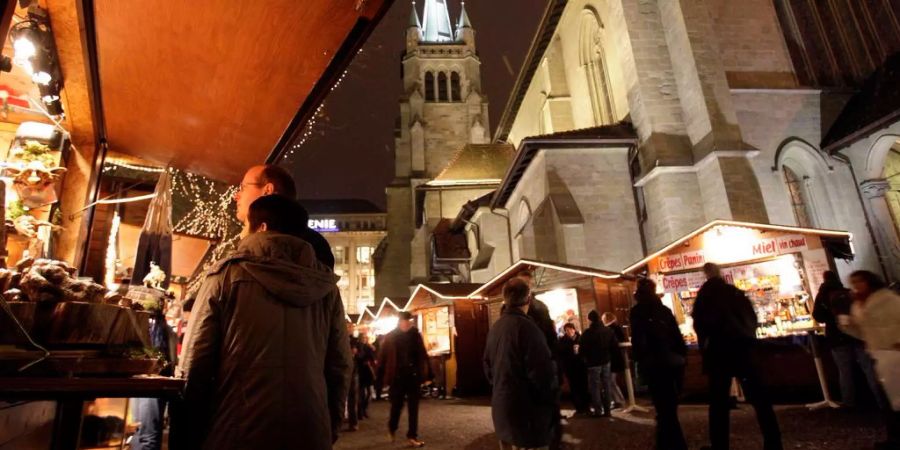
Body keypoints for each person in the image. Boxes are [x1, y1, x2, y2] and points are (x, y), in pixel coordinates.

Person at [176, 195, 351, 450]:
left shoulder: (225, 276)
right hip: (309, 430)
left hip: (236, 429)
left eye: (245, 226)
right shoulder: (326, 288)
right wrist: (329, 425)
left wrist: (187, 432)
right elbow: (340, 366)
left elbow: (196, 362)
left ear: (262, 227)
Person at [692, 263, 782, 450]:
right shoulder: (735, 293)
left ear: (706, 275)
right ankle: (773, 442)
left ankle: (719, 444)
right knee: (760, 399)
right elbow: (751, 318)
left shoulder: (704, 297)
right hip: (743, 350)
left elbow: (700, 324)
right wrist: (748, 337)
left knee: (718, 403)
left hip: (718, 352)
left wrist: (706, 345)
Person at [483, 278, 559, 450]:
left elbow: (487, 367)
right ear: (528, 299)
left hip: (502, 406)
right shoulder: (529, 329)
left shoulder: (495, 328)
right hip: (527, 411)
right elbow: (542, 373)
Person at [841, 270, 900, 449]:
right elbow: (862, 331)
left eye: (859, 281)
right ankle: (893, 437)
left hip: (893, 351)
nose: (856, 286)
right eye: (853, 282)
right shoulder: (858, 303)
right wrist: (848, 325)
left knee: (895, 397)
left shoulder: (887, 299)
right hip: (877, 353)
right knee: (887, 399)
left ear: (869, 281)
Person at [233, 164, 334, 268]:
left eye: (243, 187)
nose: (236, 196)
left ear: (267, 190)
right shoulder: (315, 245)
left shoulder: (261, 250)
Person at [630, 278, 688, 450]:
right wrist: (682, 357)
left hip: (654, 364)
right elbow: (677, 337)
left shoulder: (637, 312)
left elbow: (638, 341)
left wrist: (640, 360)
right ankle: (669, 443)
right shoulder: (663, 310)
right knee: (668, 406)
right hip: (671, 362)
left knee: (663, 408)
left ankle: (670, 444)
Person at [813, 270, 883, 409]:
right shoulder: (846, 292)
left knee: (844, 371)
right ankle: (880, 401)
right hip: (856, 336)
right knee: (868, 369)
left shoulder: (821, 296)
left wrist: (831, 319)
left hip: (836, 337)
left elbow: (818, 316)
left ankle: (849, 402)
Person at [379, 311, 429, 448]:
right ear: (400, 322)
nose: (407, 323)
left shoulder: (415, 335)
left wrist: (426, 374)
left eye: (409, 321)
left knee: (414, 407)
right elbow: (383, 358)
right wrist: (381, 378)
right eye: (405, 321)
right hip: (397, 376)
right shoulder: (391, 337)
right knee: (397, 405)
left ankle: (412, 436)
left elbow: (422, 354)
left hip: (413, 376)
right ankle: (392, 427)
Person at [580, 310, 617, 417]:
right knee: (607, 385)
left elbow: (582, 350)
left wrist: (585, 359)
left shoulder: (587, 333)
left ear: (589, 320)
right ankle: (608, 410)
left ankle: (598, 410)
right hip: (606, 360)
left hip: (593, 363)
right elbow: (614, 346)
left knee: (594, 387)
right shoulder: (608, 331)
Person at [558, 323, 591, 415]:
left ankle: (586, 407)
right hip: (570, 368)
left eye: (571, 329)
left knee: (584, 387)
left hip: (581, 366)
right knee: (574, 388)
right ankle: (579, 408)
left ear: (574, 329)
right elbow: (560, 353)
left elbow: (586, 350)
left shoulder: (581, 338)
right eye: (567, 330)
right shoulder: (563, 340)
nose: (569, 332)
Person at [601, 312, 628, 408]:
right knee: (611, 380)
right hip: (617, 358)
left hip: (612, 358)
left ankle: (619, 400)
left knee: (610, 380)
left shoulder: (609, 330)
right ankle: (619, 400)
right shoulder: (617, 328)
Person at [356, 331, 377, 419]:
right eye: (363, 337)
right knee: (363, 393)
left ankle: (363, 410)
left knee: (368, 393)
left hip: (367, 371)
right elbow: (360, 357)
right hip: (362, 371)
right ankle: (361, 411)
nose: (365, 339)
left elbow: (373, 357)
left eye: (365, 337)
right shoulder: (359, 346)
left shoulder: (367, 346)